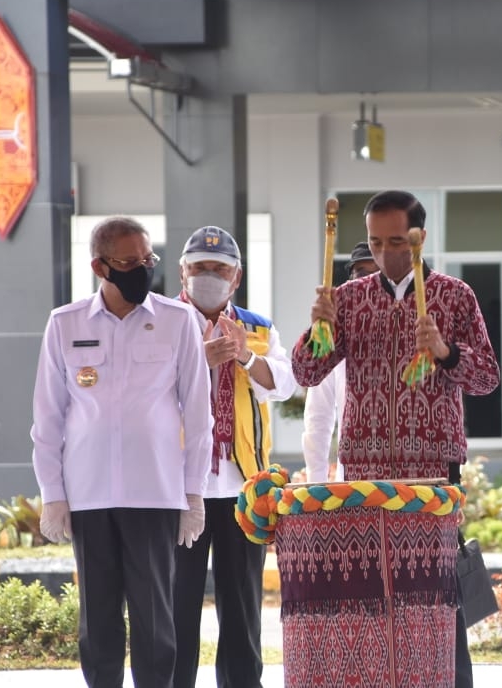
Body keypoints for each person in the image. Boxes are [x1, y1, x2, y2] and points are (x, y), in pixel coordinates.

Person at [291, 190, 500, 688]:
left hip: (432, 469)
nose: (384, 254)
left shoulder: (455, 296)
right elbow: (305, 370)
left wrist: (446, 352)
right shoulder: (349, 298)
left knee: (437, 601)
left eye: (395, 242)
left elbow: (487, 377)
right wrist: (317, 328)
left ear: (420, 238)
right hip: (365, 472)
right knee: (373, 600)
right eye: (374, 242)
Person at [30, 216, 213, 688]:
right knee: (99, 621)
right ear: (100, 266)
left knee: (155, 621)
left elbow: (198, 416)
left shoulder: (178, 321)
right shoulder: (65, 323)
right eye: (129, 262)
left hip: (153, 492)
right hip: (89, 494)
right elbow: (48, 418)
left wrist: (193, 494)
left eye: (147, 259)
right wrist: (53, 494)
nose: (142, 269)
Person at [173, 226, 297, 688]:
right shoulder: (161, 321)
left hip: (242, 485)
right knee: (175, 602)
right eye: (199, 268)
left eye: (219, 269)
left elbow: (283, 385)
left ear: (236, 276)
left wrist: (246, 357)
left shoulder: (259, 327)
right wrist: (196, 361)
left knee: (242, 605)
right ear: (182, 272)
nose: (208, 275)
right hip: (178, 487)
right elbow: (140, 393)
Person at [301, 241, 380, 482]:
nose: (369, 282)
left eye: (378, 274)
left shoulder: (414, 330)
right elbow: (318, 416)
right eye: (361, 274)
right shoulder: (334, 335)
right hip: (353, 482)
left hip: (412, 482)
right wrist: (317, 483)